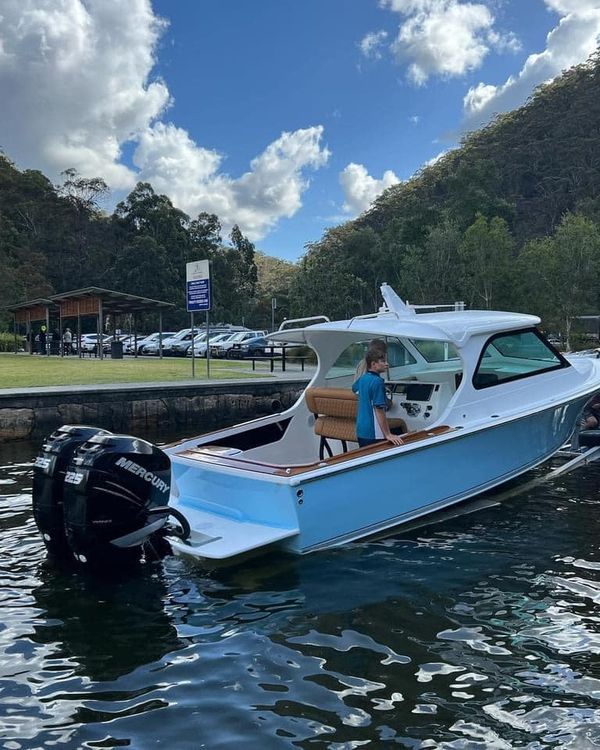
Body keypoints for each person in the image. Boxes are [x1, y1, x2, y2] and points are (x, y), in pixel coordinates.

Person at [352, 349, 404, 448]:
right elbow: (379, 410)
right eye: (383, 361)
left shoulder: (363, 378)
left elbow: (354, 389)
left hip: (361, 430)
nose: (387, 364)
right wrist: (388, 434)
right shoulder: (378, 382)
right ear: (373, 364)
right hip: (374, 433)